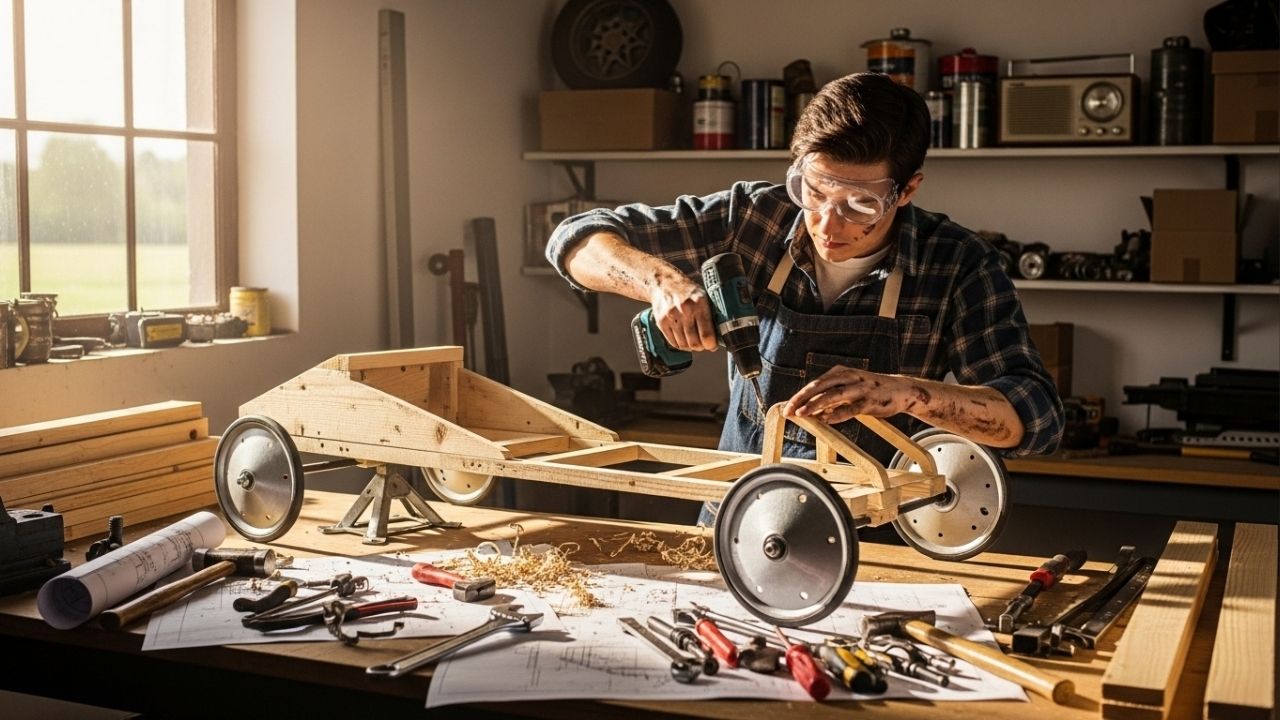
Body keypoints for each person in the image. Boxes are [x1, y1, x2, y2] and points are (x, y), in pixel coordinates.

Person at [546, 72, 1063, 526]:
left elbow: (1037, 417)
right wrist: (659, 282)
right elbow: (574, 240)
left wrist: (907, 394)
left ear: (906, 191)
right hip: (740, 520)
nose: (827, 223)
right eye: (813, 191)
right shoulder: (752, 219)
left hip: (877, 536)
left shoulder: (957, 264)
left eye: (860, 203)